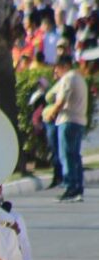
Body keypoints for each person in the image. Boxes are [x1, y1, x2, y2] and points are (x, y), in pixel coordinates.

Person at [43, 54, 88, 202]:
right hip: (79, 120)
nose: (56, 73)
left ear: (65, 66)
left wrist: (51, 113)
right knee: (75, 155)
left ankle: (70, 187)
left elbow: (61, 101)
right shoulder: (80, 78)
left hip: (68, 120)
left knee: (66, 155)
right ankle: (78, 186)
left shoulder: (68, 78)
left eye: (57, 69)